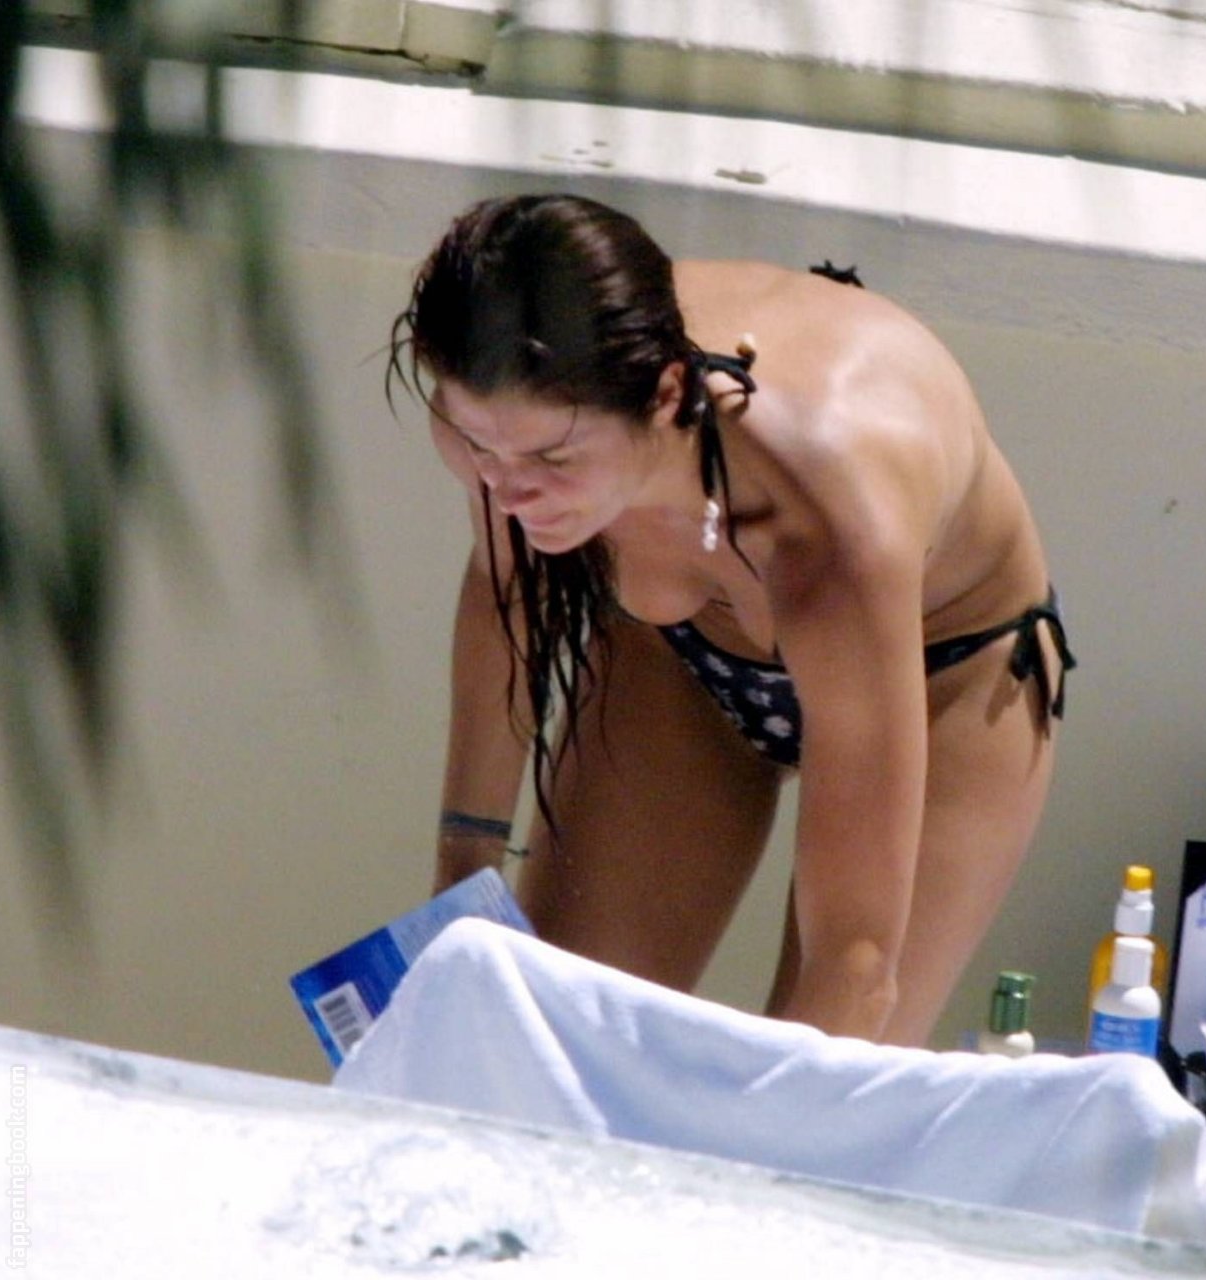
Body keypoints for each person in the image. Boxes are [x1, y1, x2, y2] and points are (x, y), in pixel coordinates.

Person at [390, 193, 1073, 1047]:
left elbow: (855, 963)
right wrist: (463, 876)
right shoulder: (512, 405)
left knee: (828, 1073)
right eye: (475, 447)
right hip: (680, 660)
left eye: (554, 458)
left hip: (951, 670)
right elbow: (510, 597)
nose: (509, 488)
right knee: (551, 1040)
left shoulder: (826, 524)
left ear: (668, 393)